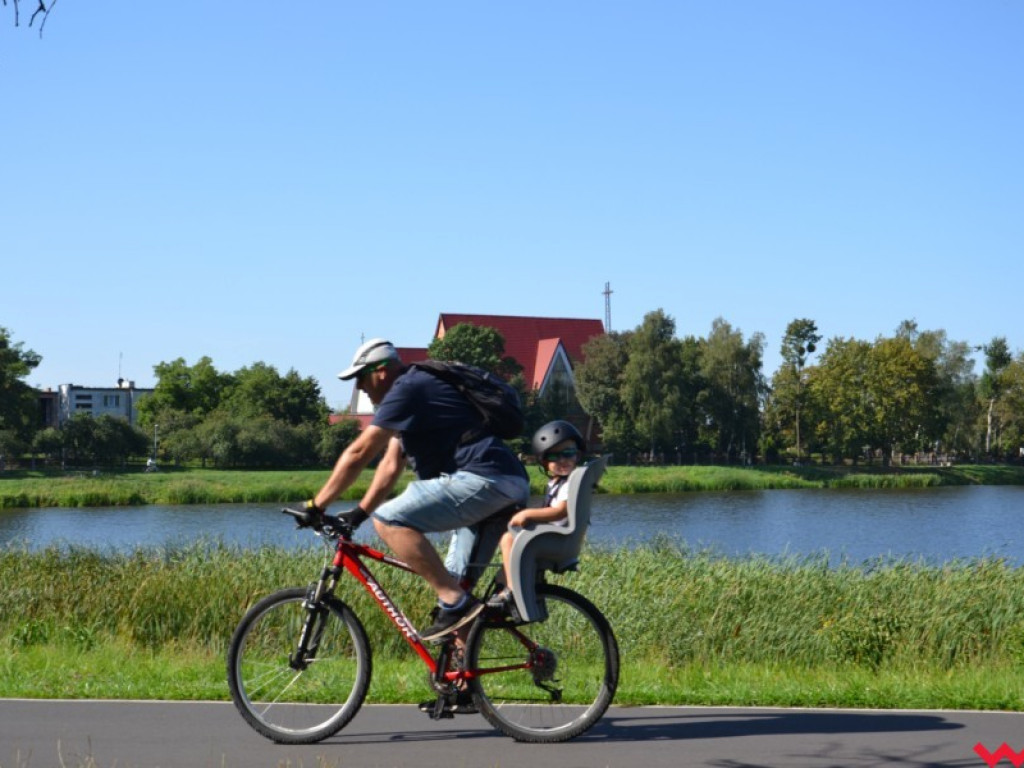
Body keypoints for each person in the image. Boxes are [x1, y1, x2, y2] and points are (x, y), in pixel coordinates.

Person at [302, 338, 530, 641]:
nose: (359, 388)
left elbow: (359, 453)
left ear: (380, 371)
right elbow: (389, 466)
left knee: (389, 520)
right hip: (504, 482)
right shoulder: (413, 396)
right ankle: (461, 682)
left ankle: (455, 602)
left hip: (484, 479)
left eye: (360, 378)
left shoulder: (407, 388)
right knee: (458, 587)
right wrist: (358, 513)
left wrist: (316, 506)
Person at [489, 420, 585, 608]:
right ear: (544, 461)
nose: (562, 460)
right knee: (511, 552)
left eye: (568, 453)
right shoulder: (558, 482)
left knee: (508, 540)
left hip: (557, 539)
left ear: (578, 455)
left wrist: (528, 514)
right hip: (555, 536)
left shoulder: (569, 483)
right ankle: (505, 587)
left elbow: (560, 511)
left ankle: (512, 590)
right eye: (554, 456)